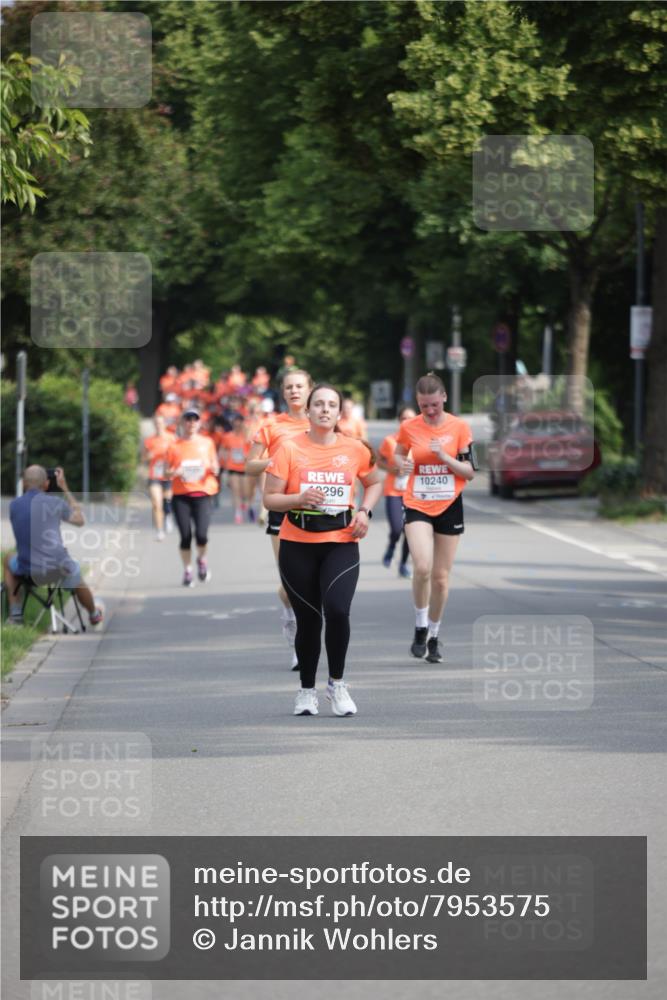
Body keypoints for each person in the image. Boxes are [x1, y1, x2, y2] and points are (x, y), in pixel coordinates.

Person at [264, 383, 382, 717]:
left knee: (338, 610)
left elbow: (374, 483)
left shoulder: (355, 449)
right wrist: (298, 499)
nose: (325, 409)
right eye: (319, 404)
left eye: (331, 404)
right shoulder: (288, 448)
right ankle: (306, 691)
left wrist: (365, 512)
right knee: (309, 619)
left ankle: (337, 684)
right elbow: (269, 498)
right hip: (297, 543)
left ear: (339, 412)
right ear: (310, 410)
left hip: (341, 541)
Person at [394, 373, 476, 663]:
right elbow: (397, 455)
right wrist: (401, 466)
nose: (429, 411)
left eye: (434, 405)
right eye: (423, 406)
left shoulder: (459, 428)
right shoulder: (409, 427)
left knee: (441, 579)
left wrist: (445, 457)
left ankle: (434, 636)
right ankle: (420, 625)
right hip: (417, 502)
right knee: (423, 567)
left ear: (444, 398)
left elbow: (469, 471)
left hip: (449, 504)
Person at [245, 370, 312, 669]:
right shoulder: (271, 426)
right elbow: (249, 466)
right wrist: (274, 462)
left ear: (310, 389)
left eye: (300, 386)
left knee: (314, 581)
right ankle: (292, 622)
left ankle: (308, 636)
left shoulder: (323, 421)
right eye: (289, 387)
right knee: (291, 582)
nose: (295, 391)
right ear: (283, 393)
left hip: (318, 509)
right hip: (282, 508)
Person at [3, 466, 103, 627]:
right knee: (73, 571)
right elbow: (80, 520)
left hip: (28, 571)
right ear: (47, 484)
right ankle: (94, 614)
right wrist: (64, 487)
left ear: (24, 484)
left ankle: (15, 616)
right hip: (57, 571)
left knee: (8, 559)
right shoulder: (56, 503)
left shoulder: (14, 505)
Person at [166, 408, 220, 586]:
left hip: (202, 493)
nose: (191, 423)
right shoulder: (174, 446)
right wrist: (176, 471)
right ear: (182, 423)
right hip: (181, 495)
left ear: (199, 423)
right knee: (185, 536)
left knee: (202, 535)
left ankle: (202, 561)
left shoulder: (207, 443)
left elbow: (216, 466)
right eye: (188, 419)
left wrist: (212, 467)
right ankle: (188, 570)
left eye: (194, 419)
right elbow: (166, 472)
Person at [377, 404, 417, 578]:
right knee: (396, 528)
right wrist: (393, 470)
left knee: (409, 531)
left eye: (411, 418)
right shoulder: (390, 441)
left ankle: (403, 564)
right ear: (399, 421)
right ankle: (392, 546)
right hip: (393, 491)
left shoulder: (421, 442)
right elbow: (378, 461)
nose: (407, 422)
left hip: (414, 493)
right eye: (404, 418)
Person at [142, 414, 175, 540]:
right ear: (154, 425)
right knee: (156, 503)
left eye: (160, 423)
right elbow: (143, 458)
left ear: (165, 424)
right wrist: (148, 456)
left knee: (168, 501)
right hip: (154, 475)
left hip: (168, 475)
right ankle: (159, 530)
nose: (158, 425)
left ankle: (168, 515)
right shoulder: (149, 441)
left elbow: (178, 455)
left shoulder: (172, 438)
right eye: (156, 423)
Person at [220, 414, 252, 524]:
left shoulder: (246, 436)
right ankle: (238, 513)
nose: (237, 424)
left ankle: (245, 504)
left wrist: (248, 456)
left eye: (239, 421)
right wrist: (223, 462)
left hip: (245, 468)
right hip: (232, 467)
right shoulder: (227, 436)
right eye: (235, 421)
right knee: (236, 491)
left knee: (245, 492)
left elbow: (253, 450)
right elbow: (223, 450)